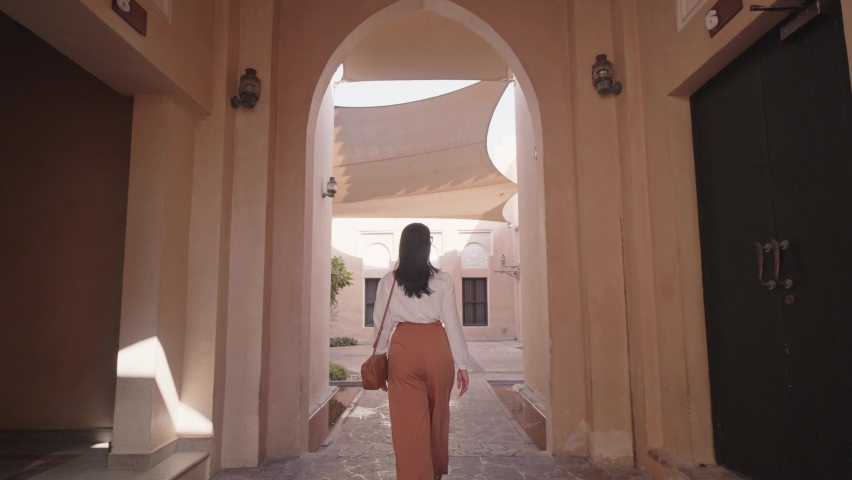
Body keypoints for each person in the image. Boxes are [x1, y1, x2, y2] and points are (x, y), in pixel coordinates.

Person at [373, 222, 471, 480]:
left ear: (402, 247)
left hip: (404, 350)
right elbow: (452, 323)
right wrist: (462, 365)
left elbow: (381, 327)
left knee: (408, 425)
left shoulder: (388, 282)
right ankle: (434, 473)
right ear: (427, 247)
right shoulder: (443, 280)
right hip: (437, 347)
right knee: (438, 417)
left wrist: (379, 361)